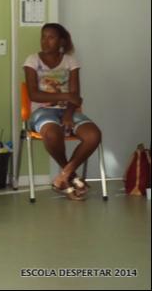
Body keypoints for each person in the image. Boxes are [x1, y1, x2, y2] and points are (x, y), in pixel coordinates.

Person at [23, 23, 102, 201]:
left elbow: (76, 98)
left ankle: (63, 176)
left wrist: (67, 114)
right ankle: (72, 177)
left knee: (93, 135)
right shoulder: (32, 60)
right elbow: (33, 94)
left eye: (51, 37)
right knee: (52, 134)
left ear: (61, 41)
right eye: (43, 37)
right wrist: (67, 95)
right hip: (42, 111)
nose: (45, 41)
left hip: (68, 111)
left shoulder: (70, 61)